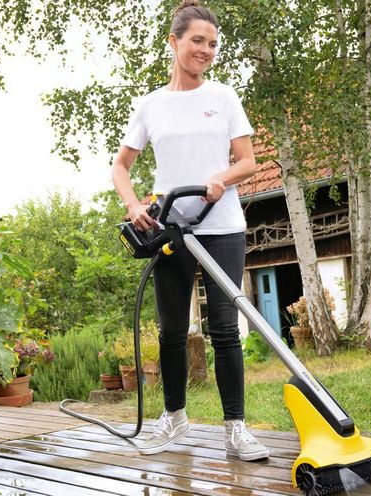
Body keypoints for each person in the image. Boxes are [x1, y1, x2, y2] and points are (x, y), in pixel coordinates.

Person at [110, 0, 268, 461]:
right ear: (174, 42)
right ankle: (174, 418)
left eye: (213, 44)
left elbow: (247, 161)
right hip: (171, 230)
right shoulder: (151, 105)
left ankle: (236, 429)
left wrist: (222, 178)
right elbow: (121, 166)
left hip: (222, 228)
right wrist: (134, 203)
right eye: (197, 41)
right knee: (172, 330)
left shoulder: (223, 98)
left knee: (224, 330)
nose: (206, 50)